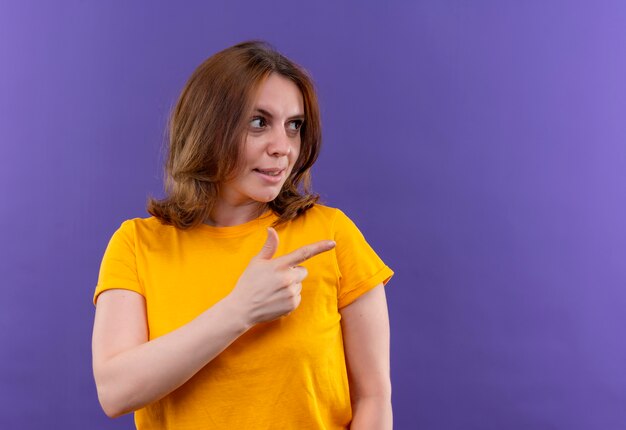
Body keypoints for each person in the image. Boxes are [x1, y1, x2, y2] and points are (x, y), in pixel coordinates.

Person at [92, 40, 393, 429]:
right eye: (258, 122)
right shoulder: (137, 244)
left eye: (294, 126)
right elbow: (115, 392)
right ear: (208, 126)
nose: (283, 148)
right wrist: (240, 310)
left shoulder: (331, 234)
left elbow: (374, 396)